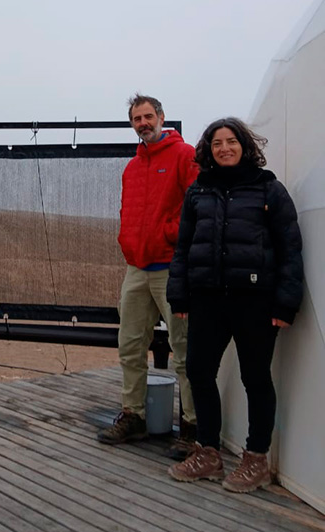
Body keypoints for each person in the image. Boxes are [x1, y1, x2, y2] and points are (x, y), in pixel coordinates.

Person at [167, 117, 303, 493]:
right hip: (207, 298)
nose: (224, 148)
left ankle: (256, 459)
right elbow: (184, 247)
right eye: (216, 143)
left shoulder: (268, 190)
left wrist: (286, 303)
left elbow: (290, 248)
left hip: (255, 302)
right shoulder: (199, 191)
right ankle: (208, 453)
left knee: (255, 378)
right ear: (208, 151)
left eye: (231, 141)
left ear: (245, 145)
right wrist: (179, 293)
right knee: (198, 371)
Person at [97, 94, 199, 460]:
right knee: (130, 346)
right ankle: (134, 417)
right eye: (136, 118)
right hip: (137, 268)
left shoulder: (184, 155)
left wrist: (171, 233)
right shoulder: (132, 167)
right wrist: (128, 242)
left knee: (184, 349)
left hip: (171, 267)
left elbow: (198, 201)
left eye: (148, 116)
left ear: (161, 117)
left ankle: (192, 427)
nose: (143, 123)